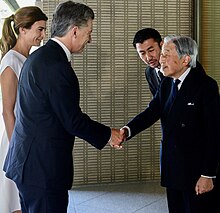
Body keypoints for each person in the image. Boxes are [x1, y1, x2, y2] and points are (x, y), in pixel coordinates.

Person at [3, 1, 123, 213]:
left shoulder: (40, 57)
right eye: (89, 32)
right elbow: (72, 119)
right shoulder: (55, 65)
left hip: (30, 165)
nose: (90, 39)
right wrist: (108, 135)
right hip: (42, 169)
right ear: (75, 31)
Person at [121, 35, 220, 213]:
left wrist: (207, 174)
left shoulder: (206, 86)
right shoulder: (167, 83)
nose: (161, 59)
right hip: (172, 166)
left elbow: (214, 134)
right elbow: (152, 112)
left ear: (185, 59)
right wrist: (127, 131)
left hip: (195, 170)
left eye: (166, 54)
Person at [0, 6, 48, 213]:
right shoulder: (11, 60)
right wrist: (17, 148)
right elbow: (7, 111)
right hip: (16, 141)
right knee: (16, 204)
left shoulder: (29, 60)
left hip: (27, 139)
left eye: (44, 30)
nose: (43, 35)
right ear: (22, 30)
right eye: (39, 29)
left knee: (27, 202)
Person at [132, 28, 164, 96]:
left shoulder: (177, 67)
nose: (148, 58)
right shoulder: (149, 72)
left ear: (162, 45)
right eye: (142, 53)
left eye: (151, 50)